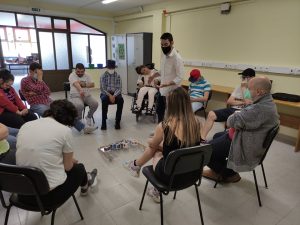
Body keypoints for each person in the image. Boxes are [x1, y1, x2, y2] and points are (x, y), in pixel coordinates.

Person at [124, 87, 202, 202]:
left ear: (170, 105)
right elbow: (182, 147)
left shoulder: (164, 125)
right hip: (192, 175)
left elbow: (152, 146)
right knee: (164, 150)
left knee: (155, 151)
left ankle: (136, 167)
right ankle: (135, 166)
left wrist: (151, 140)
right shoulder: (196, 123)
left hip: (169, 178)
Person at [16, 99, 98, 205]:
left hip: (22, 194)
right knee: (79, 168)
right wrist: (71, 161)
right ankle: (85, 187)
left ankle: (86, 179)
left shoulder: (25, 126)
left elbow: (42, 151)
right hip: (46, 198)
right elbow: (67, 167)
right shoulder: (64, 131)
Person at [202, 76, 279, 183]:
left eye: (249, 88)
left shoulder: (259, 109)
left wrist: (236, 114)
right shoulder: (267, 102)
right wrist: (239, 114)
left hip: (244, 144)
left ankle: (229, 174)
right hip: (247, 138)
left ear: (259, 91)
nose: (247, 91)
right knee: (216, 136)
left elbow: (230, 122)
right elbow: (243, 116)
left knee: (205, 151)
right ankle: (224, 169)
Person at [201, 68, 256, 141]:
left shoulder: (254, 89)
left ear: (252, 78)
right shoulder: (238, 87)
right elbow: (229, 101)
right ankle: (202, 138)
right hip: (233, 109)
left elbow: (248, 103)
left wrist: (243, 89)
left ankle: (228, 137)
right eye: (242, 77)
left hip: (243, 112)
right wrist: (242, 102)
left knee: (229, 126)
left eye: (244, 78)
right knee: (211, 114)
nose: (242, 80)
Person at [147, 33, 184, 123]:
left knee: (172, 115)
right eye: (162, 45)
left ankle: (170, 134)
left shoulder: (177, 58)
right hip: (162, 90)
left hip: (173, 91)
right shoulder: (164, 55)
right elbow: (162, 71)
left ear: (172, 43)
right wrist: (153, 76)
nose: (163, 47)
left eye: (166, 44)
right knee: (160, 111)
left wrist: (167, 83)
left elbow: (180, 77)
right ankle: (161, 130)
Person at [69, 63, 98, 127]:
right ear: (75, 70)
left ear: (84, 70)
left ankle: (88, 117)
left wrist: (82, 84)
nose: (80, 73)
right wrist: (81, 89)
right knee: (80, 105)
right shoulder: (72, 75)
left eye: (82, 72)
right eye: (78, 71)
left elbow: (92, 84)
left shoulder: (87, 75)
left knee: (95, 104)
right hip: (75, 95)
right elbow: (76, 84)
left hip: (87, 95)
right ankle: (79, 121)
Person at [100, 59, 124, 130]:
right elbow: (102, 88)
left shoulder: (118, 75)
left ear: (114, 68)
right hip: (106, 93)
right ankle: (103, 122)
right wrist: (110, 95)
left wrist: (114, 95)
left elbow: (119, 88)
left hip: (115, 93)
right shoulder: (103, 75)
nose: (111, 69)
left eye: (112, 68)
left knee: (121, 100)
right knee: (104, 100)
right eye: (110, 68)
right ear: (107, 68)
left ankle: (117, 122)